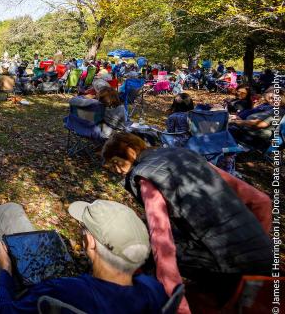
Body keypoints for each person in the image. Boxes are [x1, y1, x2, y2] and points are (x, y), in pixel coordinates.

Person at [102, 132, 273, 308]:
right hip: (263, 258)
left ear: (130, 152)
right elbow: (261, 201)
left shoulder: (145, 176)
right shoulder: (186, 155)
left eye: (116, 163)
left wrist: (178, 305)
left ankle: (141, 301)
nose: (116, 170)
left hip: (231, 269)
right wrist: (255, 244)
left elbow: (161, 240)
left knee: (139, 246)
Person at [0, 193, 167, 312]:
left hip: (24, 292)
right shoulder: (153, 290)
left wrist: (5, 271)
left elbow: (5, 311)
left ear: (90, 242)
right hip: (62, 281)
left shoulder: (62, 293)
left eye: (83, 229)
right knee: (11, 213)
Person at [230, 86, 277, 151]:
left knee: (226, 130)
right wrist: (239, 119)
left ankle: (226, 152)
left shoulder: (276, 110)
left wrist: (237, 122)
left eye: (267, 92)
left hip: (255, 138)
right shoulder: (266, 105)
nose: (264, 94)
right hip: (247, 129)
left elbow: (258, 124)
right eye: (266, 92)